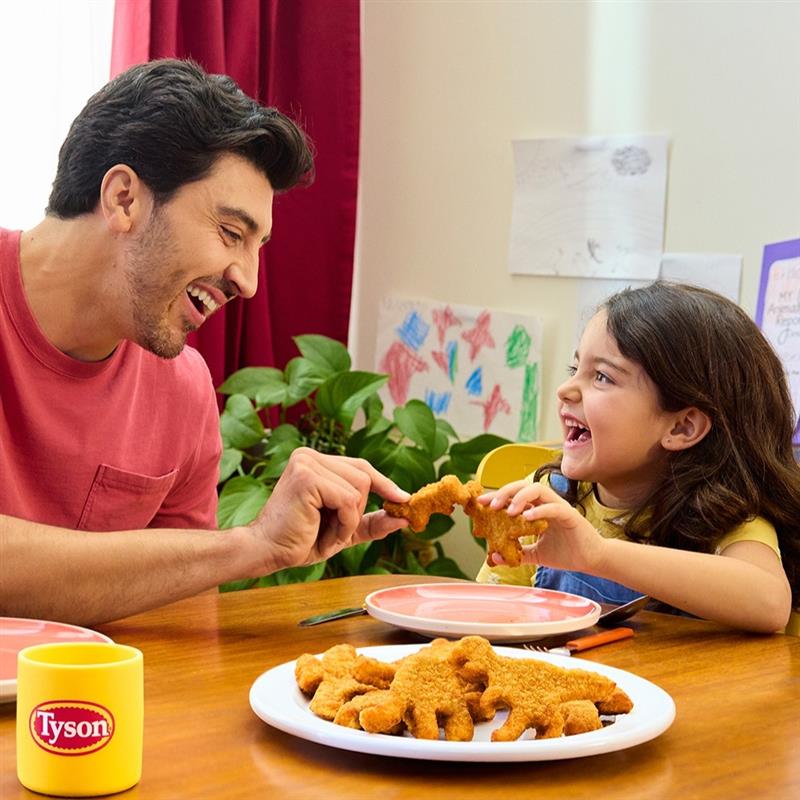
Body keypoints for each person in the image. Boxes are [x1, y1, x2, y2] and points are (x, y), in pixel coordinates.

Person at [0, 59, 409, 626]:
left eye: (256, 247)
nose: (248, 280)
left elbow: (181, 621)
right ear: (123, 198)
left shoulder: (183, 389)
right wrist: (251, 546)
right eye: (231, 233)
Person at [476, 281, 799, 634]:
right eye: (575, 370)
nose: (565, 390)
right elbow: (486, 616)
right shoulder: (546, 500)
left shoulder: (723, 514)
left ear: (682, 427)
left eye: (601, 376)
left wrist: (598, 554)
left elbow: (769, 604)